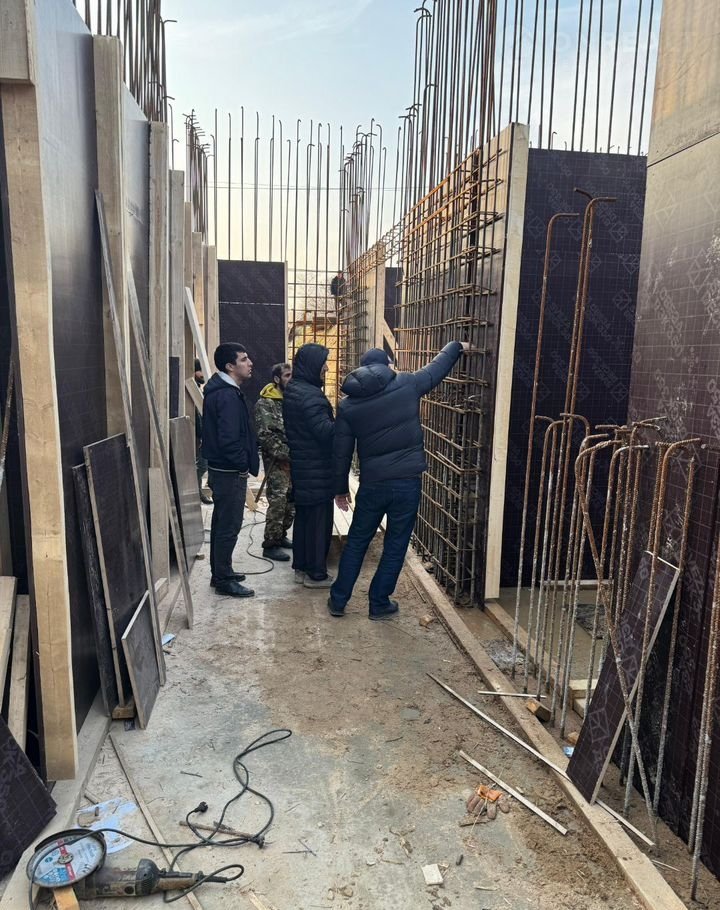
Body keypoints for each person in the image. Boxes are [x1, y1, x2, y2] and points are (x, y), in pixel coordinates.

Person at [329, 342, 469, 619]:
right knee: (395, 544)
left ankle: (338, 600)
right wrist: (456, 346)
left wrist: (340, 490)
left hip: (372, 484)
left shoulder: (348, 405)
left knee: (357, 541)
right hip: (406, 483)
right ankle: (379, 603)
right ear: (387, 366)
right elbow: (436, 369)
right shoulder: (407, 384)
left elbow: (341, 452)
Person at [201, 342, 259, 598]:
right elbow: (229, 439)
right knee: (229, 525)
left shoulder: (224, 391)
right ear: (229, 366)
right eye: (244, 359)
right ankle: (223, 579)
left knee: (221, 523)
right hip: (228, 472)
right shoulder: (226, 395)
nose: (250, 363)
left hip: (222, 469)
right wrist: (241, 464)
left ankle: (220, 573)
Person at [282, 343, 335, 588]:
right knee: (318, 523)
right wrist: (345, 420)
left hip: (303, 466)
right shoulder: (311, 395)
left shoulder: (294, 389)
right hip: (316, 469)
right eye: (323, 363)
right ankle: (316, 574)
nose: (326, 368)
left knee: (304, 519)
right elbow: (325, 433)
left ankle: (301, 567)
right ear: (313, 365)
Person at [255, 363, 294, 562]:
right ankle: (270, 544)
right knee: (278, 502)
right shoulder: (266, 403)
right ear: (277, 379)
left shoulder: (292, 400)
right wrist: (287, 455)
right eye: (287, 375)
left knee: (291, 502)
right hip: (277, 462)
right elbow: (266, 436)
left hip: (293, 461)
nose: (291, 379)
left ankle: (281, 535)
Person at [194, 359, 212, 505]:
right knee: (201, 466)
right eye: (200, 371)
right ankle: (197, 493)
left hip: (203, 436)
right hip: (198, 437)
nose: (203, 375)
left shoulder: (197, 388)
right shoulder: (192, 388)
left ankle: (198, 492)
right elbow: (196, 416)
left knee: (202, 466)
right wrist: (201, 435)